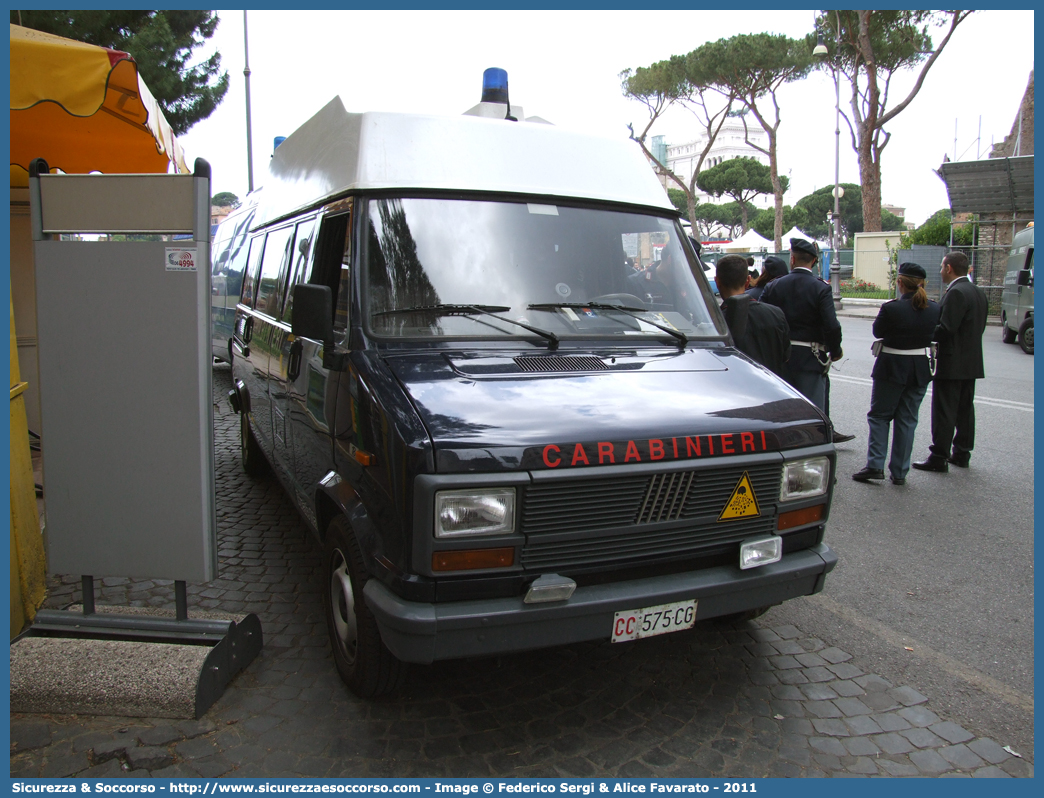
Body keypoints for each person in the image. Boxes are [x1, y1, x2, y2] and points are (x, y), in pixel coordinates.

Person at [852, 263, 940, 485]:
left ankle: (875, 465)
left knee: (880, 416)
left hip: (892, 367)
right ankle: (900, 471)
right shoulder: (934, 308)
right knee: (907, 420)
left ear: (900, 283)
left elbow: (878, 331)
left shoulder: (891, 308)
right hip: (919, 368)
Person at [912, 251, 989, 472]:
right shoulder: (977, 292)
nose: (940, 271)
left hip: (952, 361)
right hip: (971, 361)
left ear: (948, 268)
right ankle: (962, 452)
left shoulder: (956, 293)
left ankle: (939, 456)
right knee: (965, 410)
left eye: (941, 267)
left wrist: (923, 331)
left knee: (944, 410)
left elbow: (946, 329)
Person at [761, 238, 843, 414]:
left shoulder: (773, 286)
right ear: (813, 262)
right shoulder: (821, 288)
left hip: (779, 359)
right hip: (810, 359)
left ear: (792, 259)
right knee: (812, 416)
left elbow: (761, 318)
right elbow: (832, 326)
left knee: (781, 414)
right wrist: (835, 351)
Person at [715, 255, 790, 378]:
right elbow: (785, 356)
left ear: (717, 281)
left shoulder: (714, 323)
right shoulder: (776, 314)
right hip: (772, 388)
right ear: (748, 280)